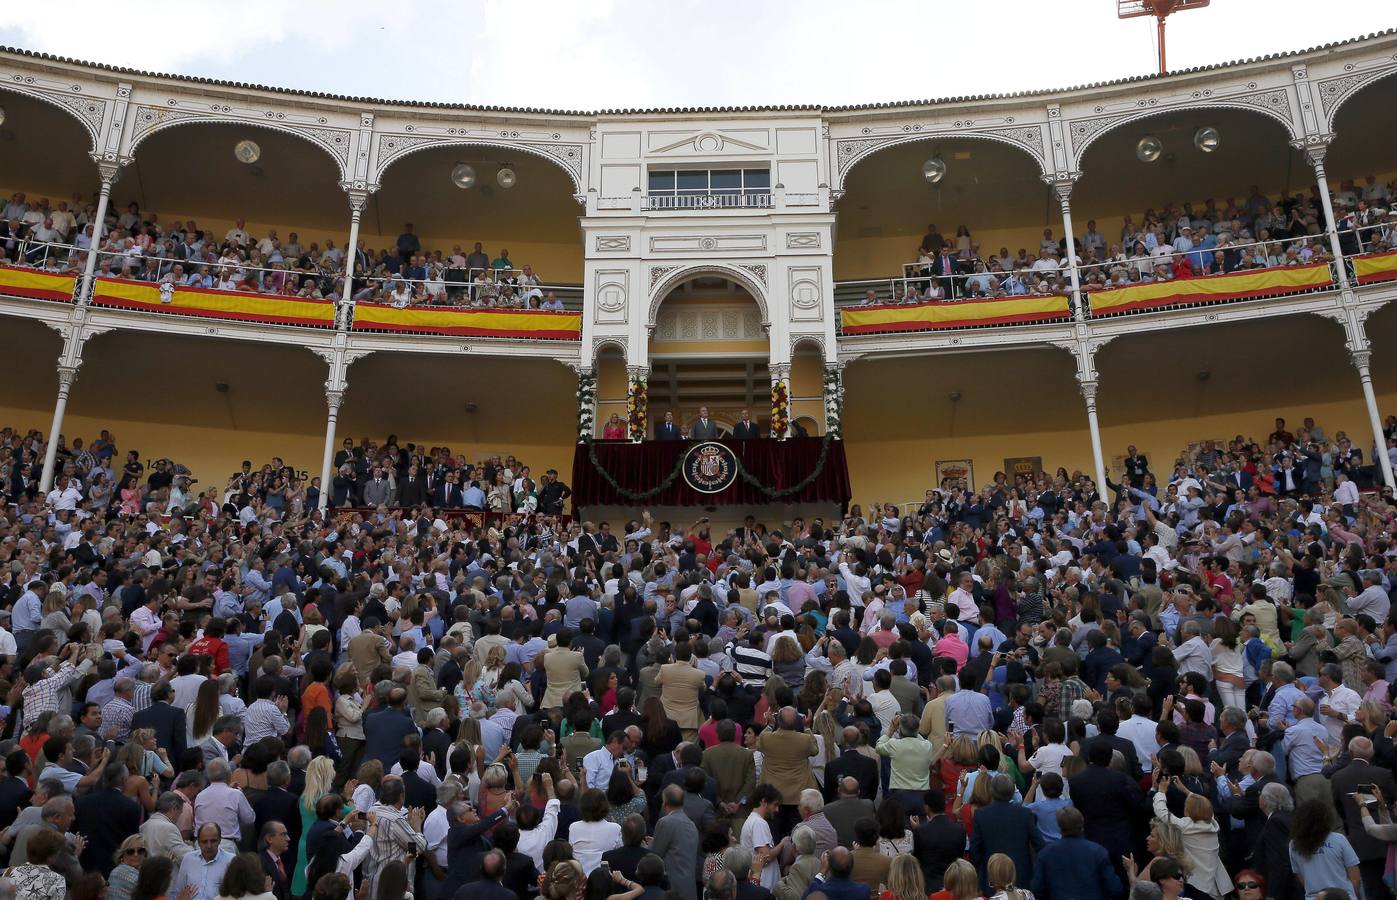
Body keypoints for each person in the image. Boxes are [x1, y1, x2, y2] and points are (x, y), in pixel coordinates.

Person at [1288, 798, 1362, 900]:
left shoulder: (1294, 845)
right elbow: (1356, 878)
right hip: (1342, 896)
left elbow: (1301, 877)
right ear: (1326, 818)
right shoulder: (1339, 839)